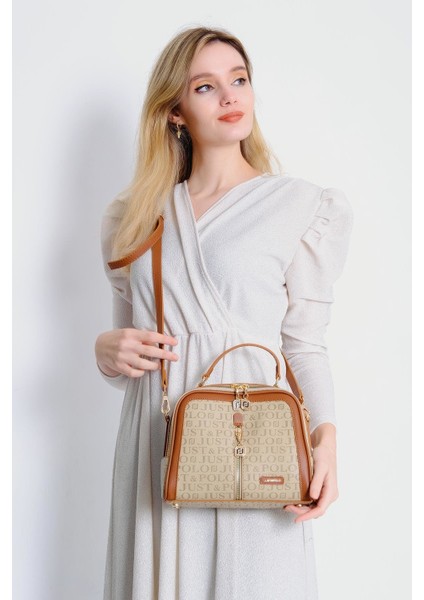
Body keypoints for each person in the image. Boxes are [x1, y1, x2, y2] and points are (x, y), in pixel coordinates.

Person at [95, 25, 353, 600]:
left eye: (239, 80)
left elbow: (304, 343)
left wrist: (326, 440)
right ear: (175, 111)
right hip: (159, 443)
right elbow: (132, 357)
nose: (230, 97)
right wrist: (106, 352)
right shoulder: (135, 216)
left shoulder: (298, 206)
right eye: (206, 87)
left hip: (256, 440)